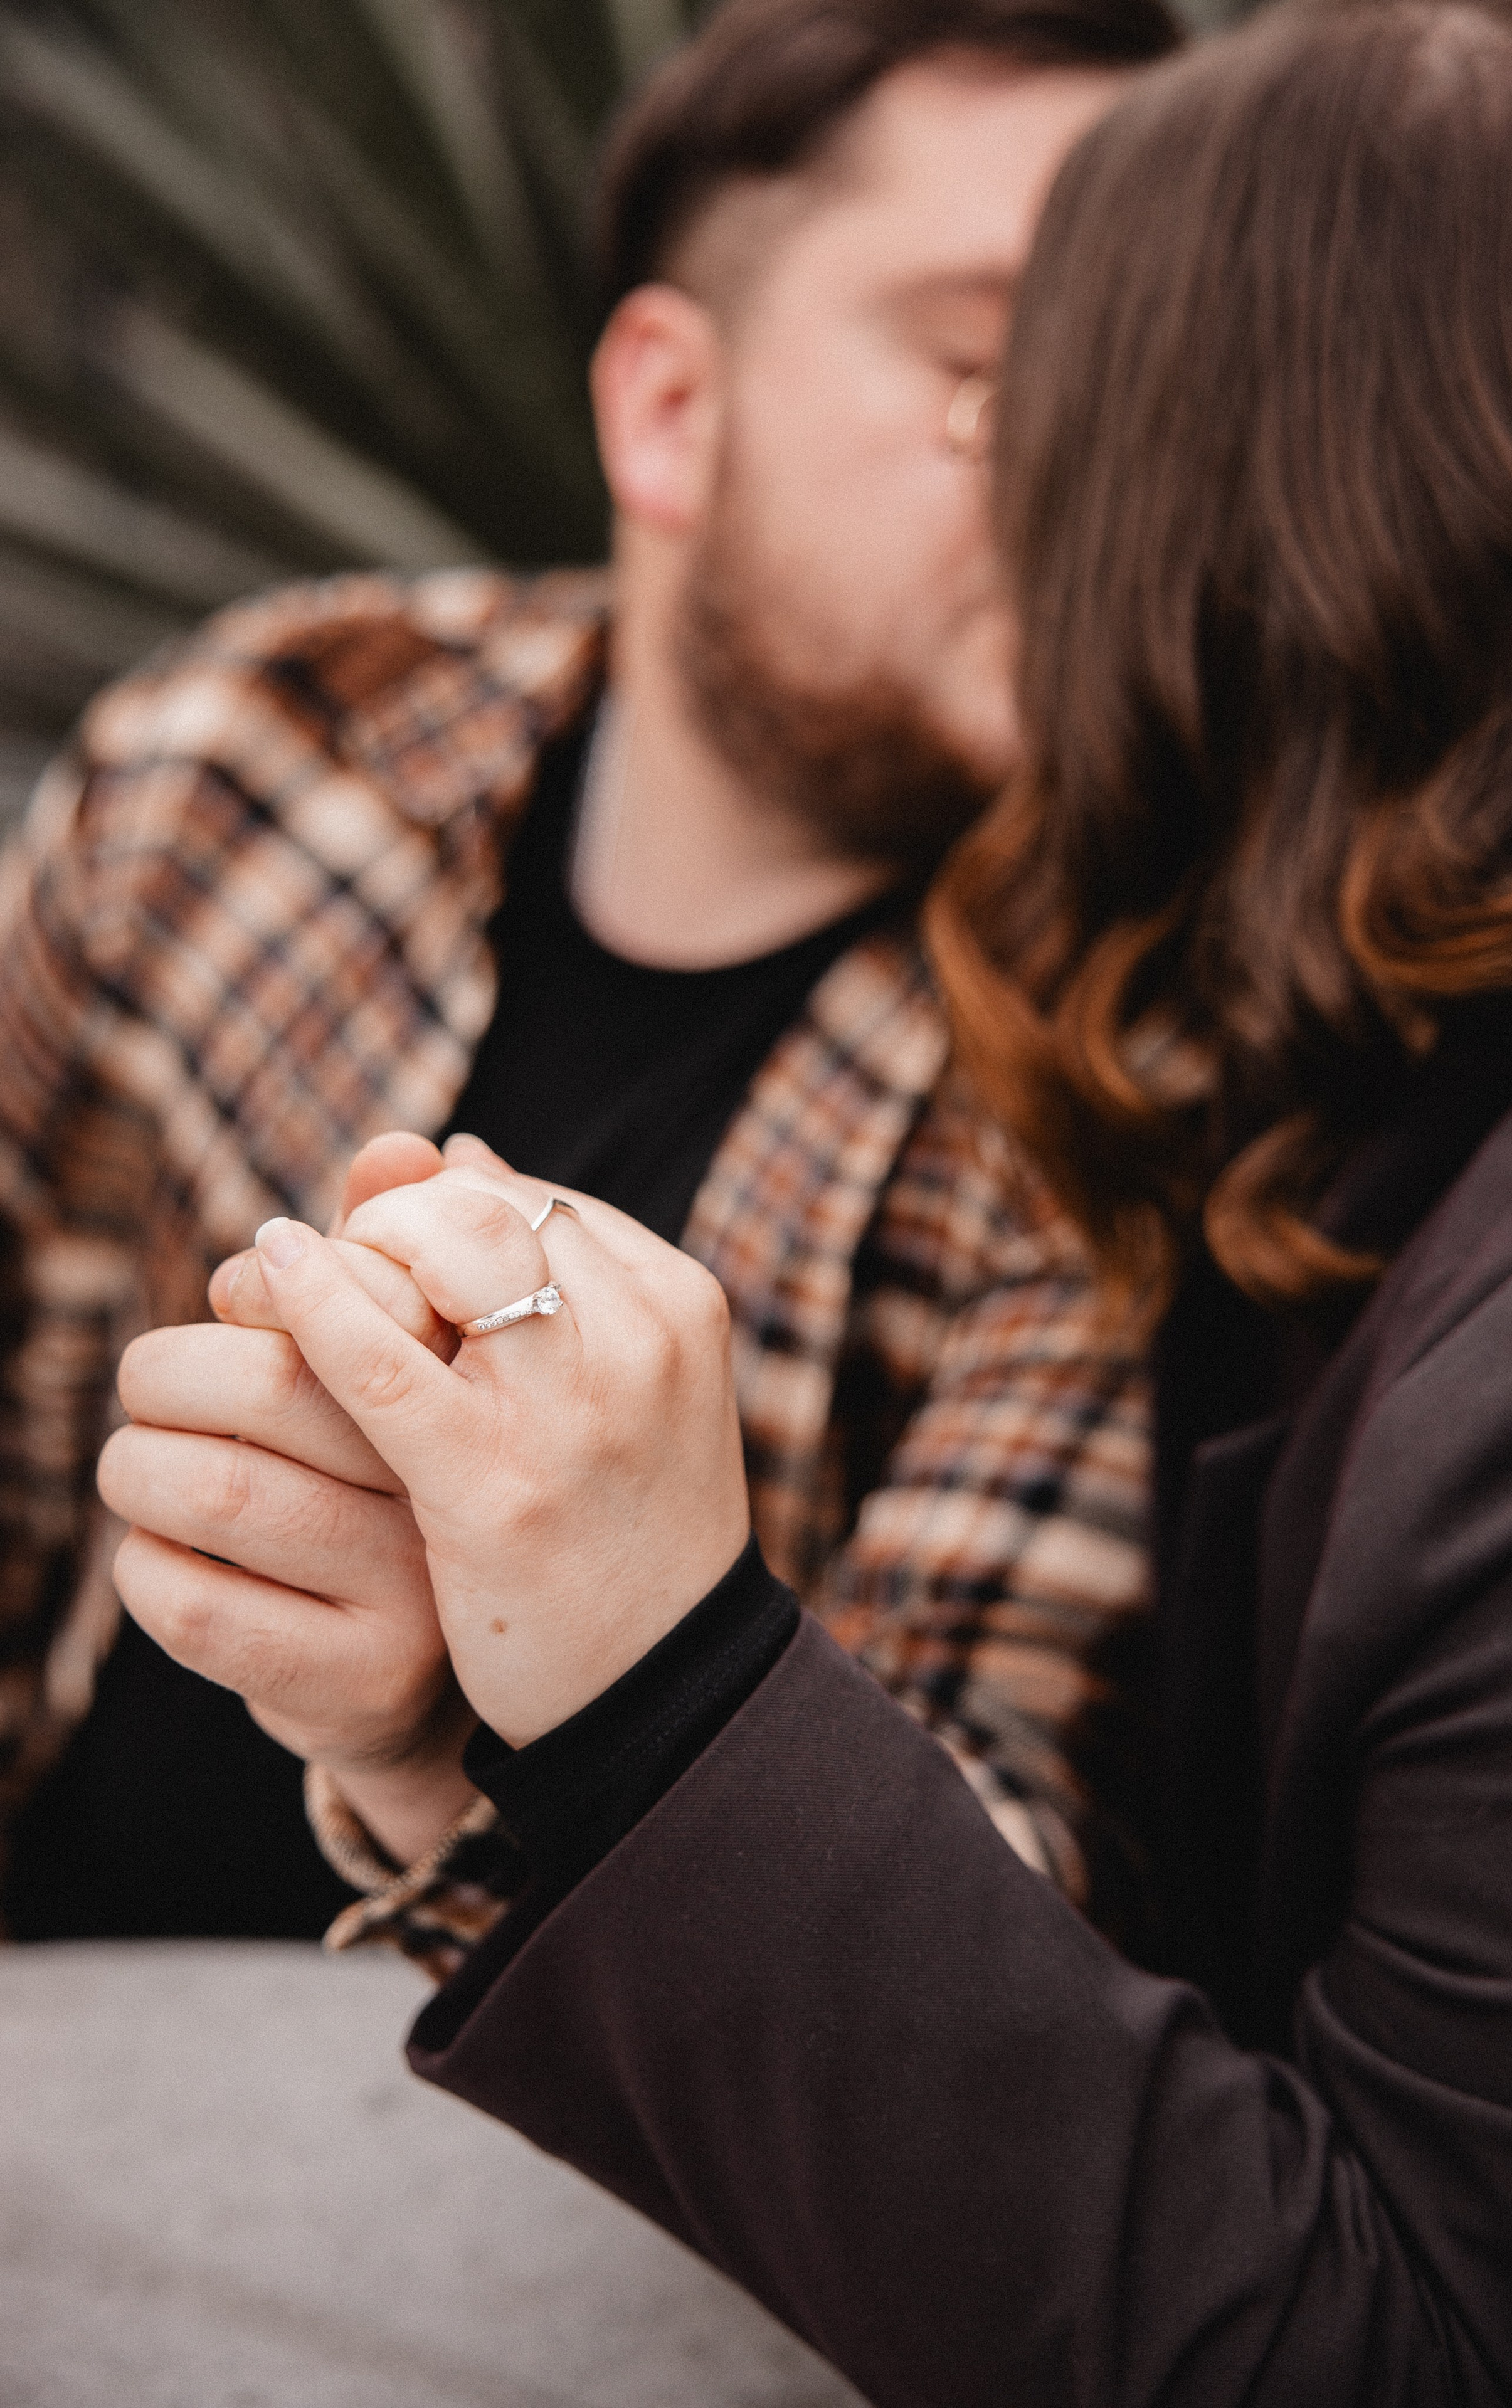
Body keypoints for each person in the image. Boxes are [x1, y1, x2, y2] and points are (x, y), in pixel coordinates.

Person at [105, 0, 1512, 2395]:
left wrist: (594, 1683)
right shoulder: (266, 753)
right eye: (974, 375)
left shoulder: (1181, 1097)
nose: (1033, 485)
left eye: (1078, 403)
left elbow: (1071, 1977)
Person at [0, 0, 1181, 1947]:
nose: (1100, 481)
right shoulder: (255, 756)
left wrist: (436, 1743)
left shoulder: (1129, 1056)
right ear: (670, 412)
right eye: (988, 373)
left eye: (1150, 396)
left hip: (570, 2181)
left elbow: (976, 1954)